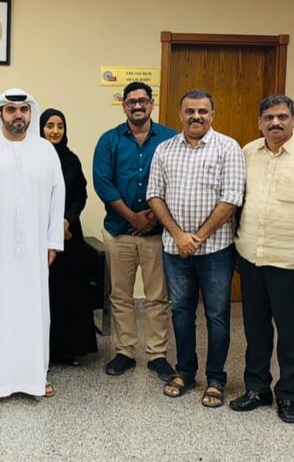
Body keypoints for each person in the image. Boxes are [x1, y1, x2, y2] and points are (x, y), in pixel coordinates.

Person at [0, 88, 65, 399]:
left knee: (33, 312)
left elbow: (57, 197)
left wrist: (52, 242)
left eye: (24, 110)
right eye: (11, 109)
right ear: (0, 114)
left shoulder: (45, 151)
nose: (19, 115)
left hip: (33, 250)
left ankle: (34, 377)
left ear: (31, 114)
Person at [229, 94, 294, 425]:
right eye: (269, 117)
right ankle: (257, 389)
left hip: (289, 261)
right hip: (250, 256)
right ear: (260, 122)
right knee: (255, 330)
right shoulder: (247, 152)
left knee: (288, 333)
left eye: (282, 117)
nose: (275, 122)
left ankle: (287, 394)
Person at [146, 90, 244, 408]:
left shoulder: (228, 148)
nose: (196, 116)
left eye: (202, 111)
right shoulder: (164, 149)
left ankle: (216, 379)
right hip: (175, 250)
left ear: (212, 115)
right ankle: (185, 372)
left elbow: (231, 198)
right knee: (180, 312)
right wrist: (178, 235)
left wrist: (197, 237)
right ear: (181, 114)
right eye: (190, 111)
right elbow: (154, 195)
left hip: (216, 250)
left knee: (217, 315)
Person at [92, 81, 177, 379]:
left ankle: (157, 354)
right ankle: (125, 351)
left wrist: (152, 217)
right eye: (131, 102)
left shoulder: (170, 139)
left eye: (143, 100)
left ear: (151, 103)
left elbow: (177, 180)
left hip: (157, 233)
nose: (137, 106)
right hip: (119, 231)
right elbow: (103, 183)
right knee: (120, 295)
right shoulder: (109, 140)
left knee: (157, 296)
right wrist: (133, 217)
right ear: (124, 105)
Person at [39, 108, 97, 366]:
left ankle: (69, 349)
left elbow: (80, 195)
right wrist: (52, 225)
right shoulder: (33, 158)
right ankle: (44, 351)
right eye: (49, 125)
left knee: (69, 293)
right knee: (46, 293)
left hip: (69, 235)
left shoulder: (71, 159)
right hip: (40, 235)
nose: (55, 131)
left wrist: (66, 221)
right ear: (40, 128)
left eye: (60, 126)